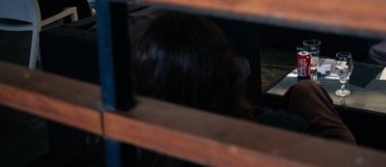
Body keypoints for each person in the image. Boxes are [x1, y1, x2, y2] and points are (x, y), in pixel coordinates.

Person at [132, 11, 354, 165]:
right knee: (307, 92)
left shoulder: (136, 149)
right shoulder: (279, 131)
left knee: (305, 90)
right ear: (229, 72)